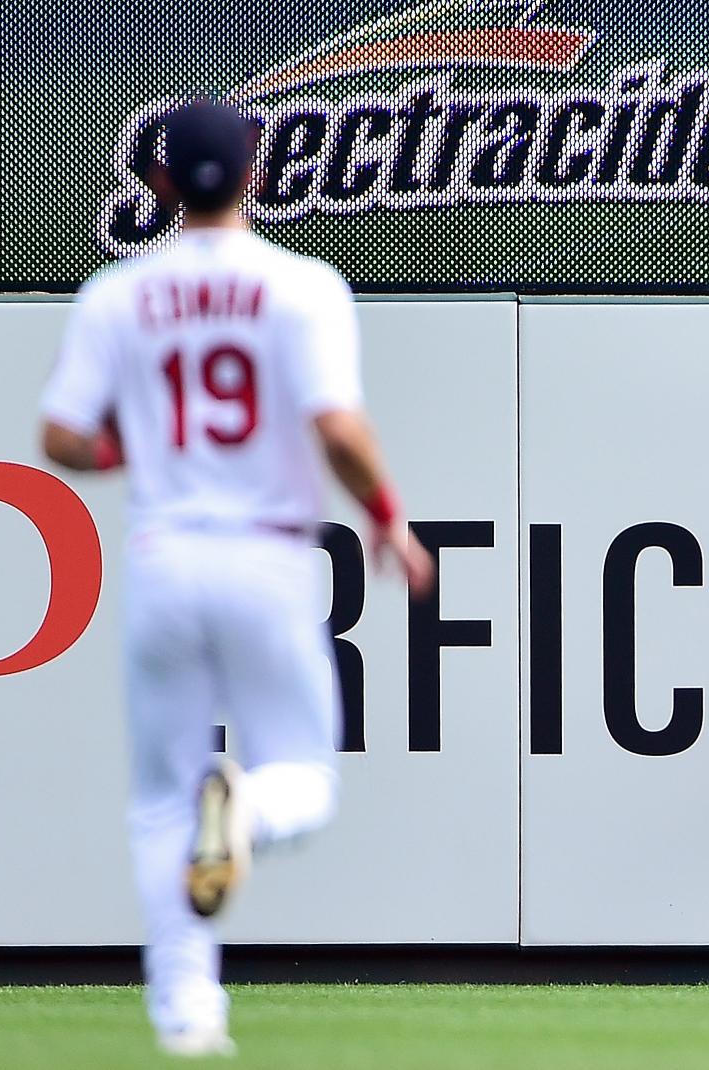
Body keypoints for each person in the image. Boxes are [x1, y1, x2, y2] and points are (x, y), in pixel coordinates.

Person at [39, 97, 434, 1056]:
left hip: (165, 557)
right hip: (267, 553)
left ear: (161, 180)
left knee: (160, 802)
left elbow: (60, 436)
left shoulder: (116, 293)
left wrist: (141, 458)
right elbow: (336, 428)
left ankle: (187, 1014)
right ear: (257, 174)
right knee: (303, 777)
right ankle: (247, 809)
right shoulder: (303, 287)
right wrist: (389, 522)